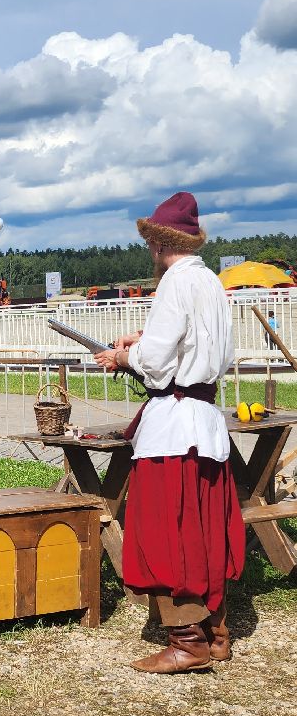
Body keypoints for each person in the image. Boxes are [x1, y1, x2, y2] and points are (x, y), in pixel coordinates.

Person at [94, 191, 244, 674]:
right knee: (205, 532)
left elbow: (156, 366)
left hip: (174, 431)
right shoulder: (210, 282)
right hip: (205, 423)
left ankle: (188, 642)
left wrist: (124, 356)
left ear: (158, 244)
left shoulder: (173, 285)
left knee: (168, 534)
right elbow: (199, 345)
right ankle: (216, 633)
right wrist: (143, 340)